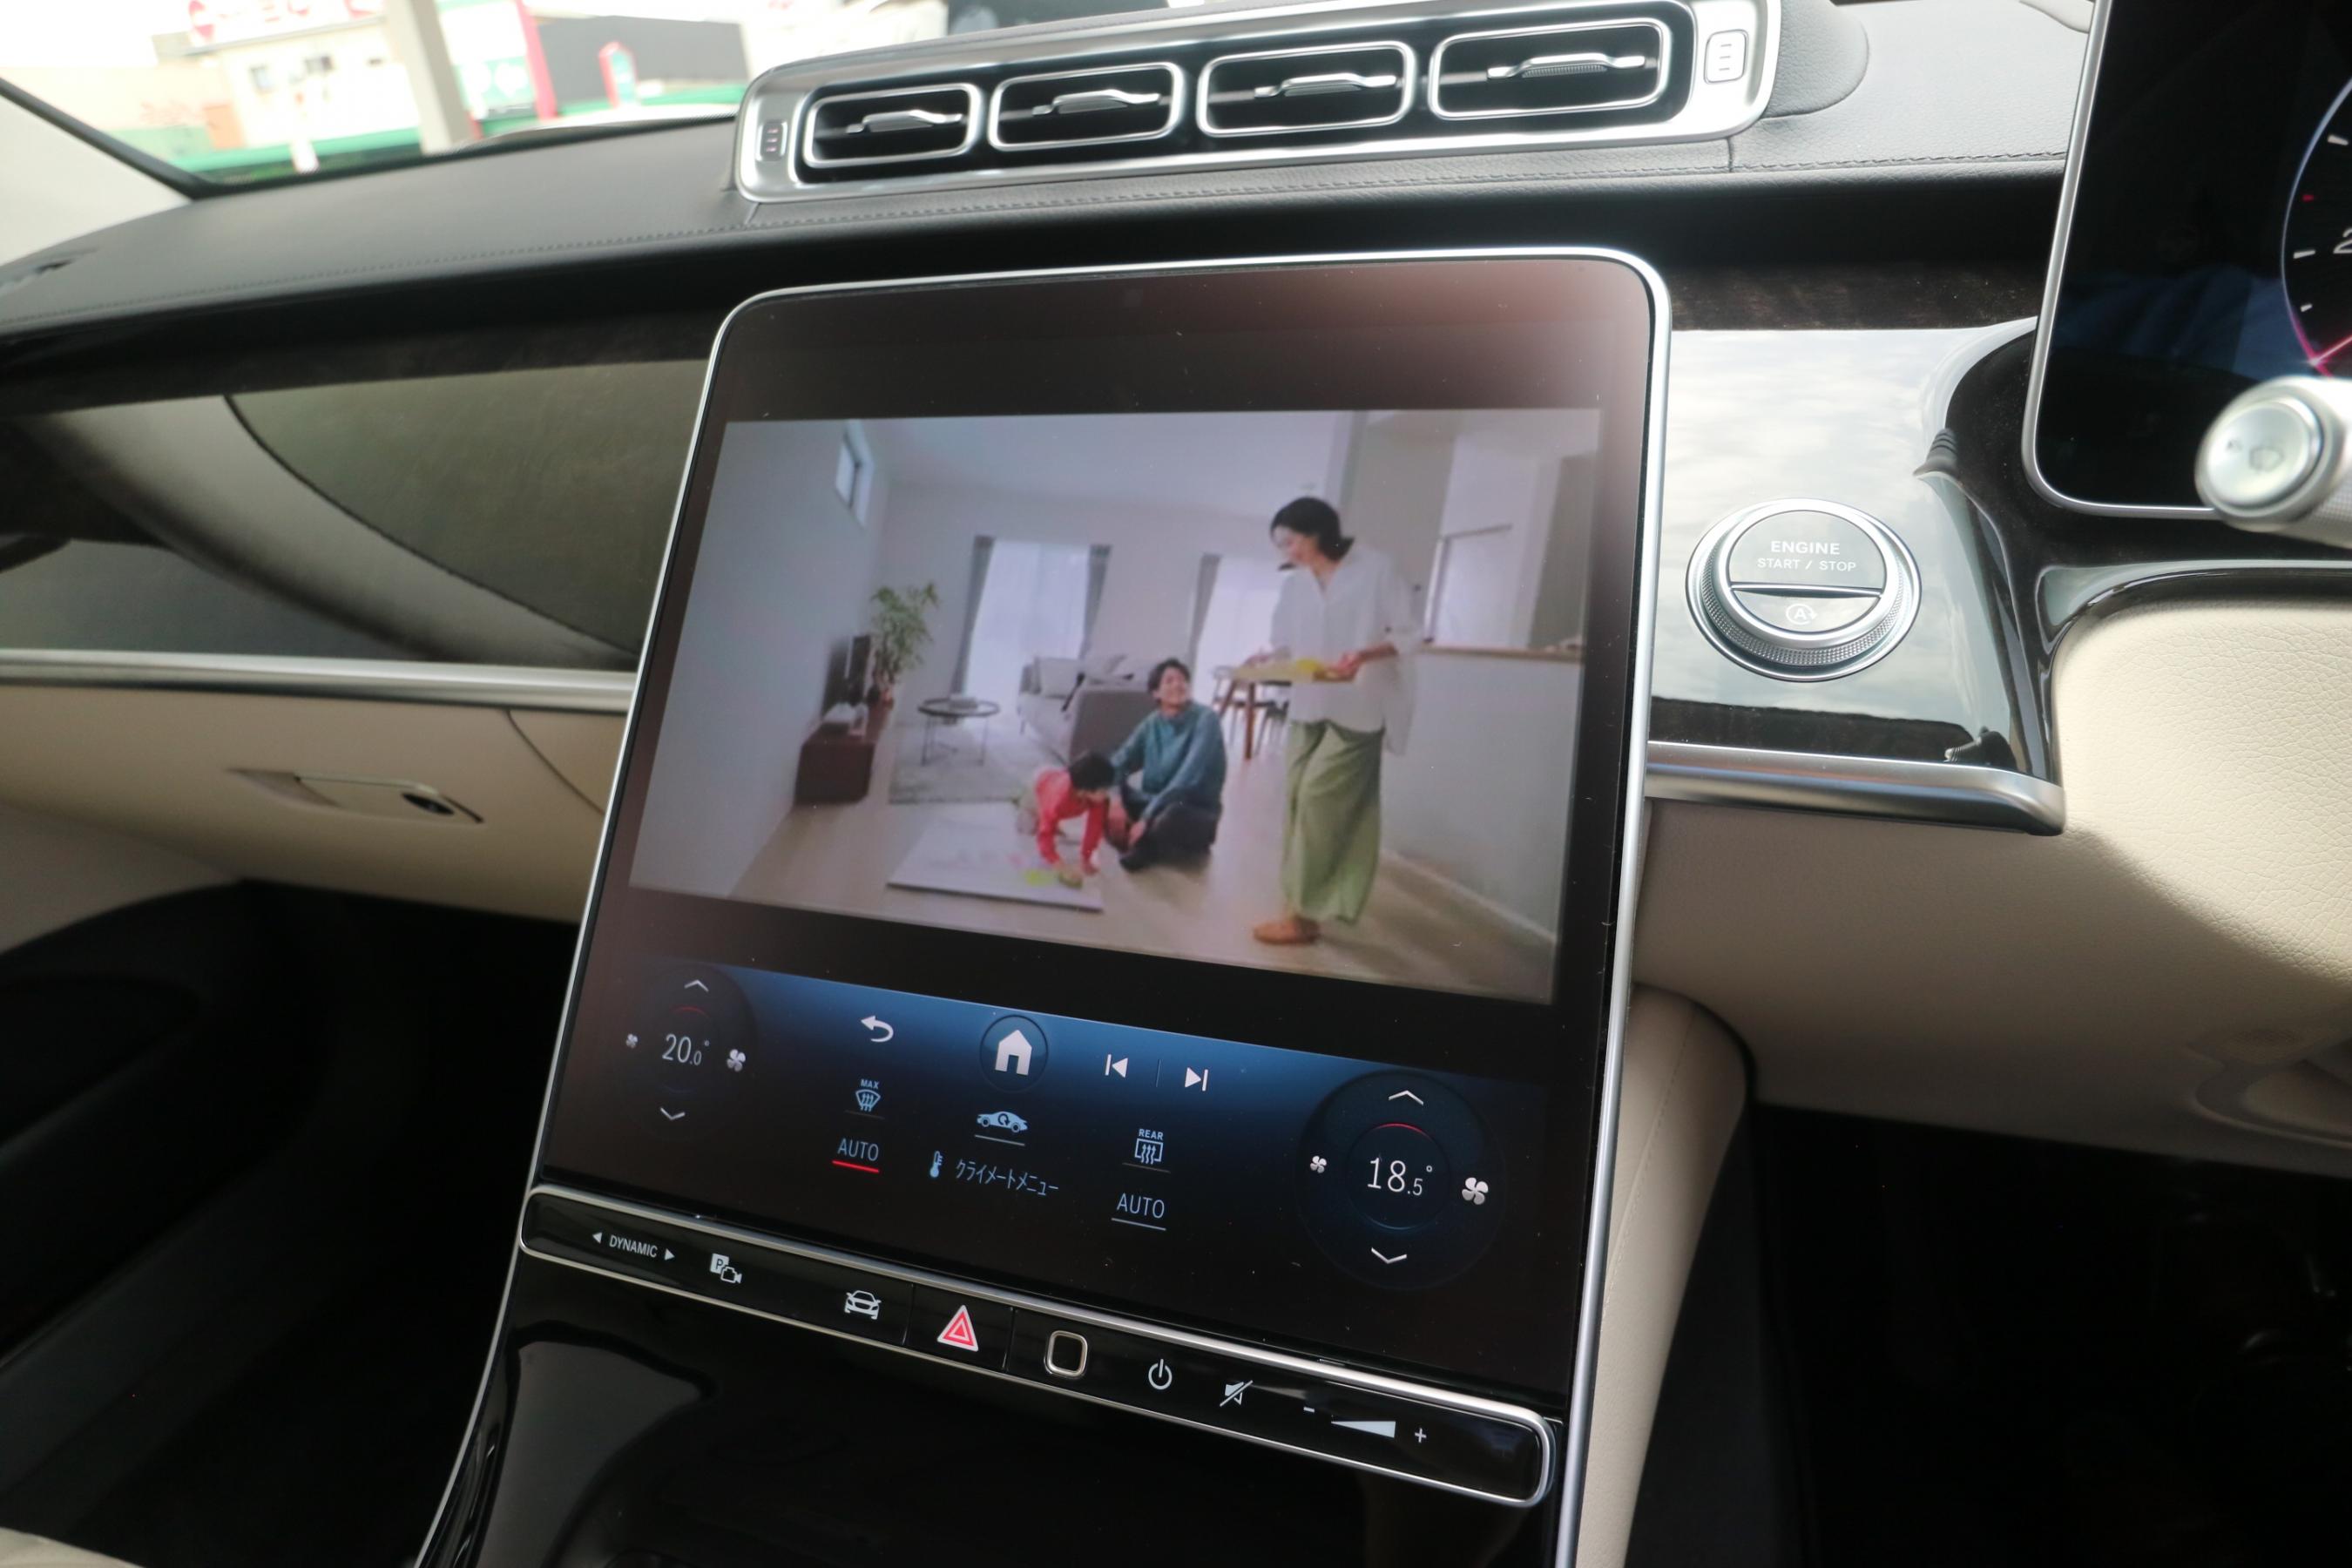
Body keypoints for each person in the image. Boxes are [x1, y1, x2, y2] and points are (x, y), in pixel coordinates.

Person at [1253, 497, 1418, 946]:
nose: (1287, 551)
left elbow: (1408, 634)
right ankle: (1297, 907)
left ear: (1318, 533)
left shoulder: (1377, 568)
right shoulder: (1295, 584)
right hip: (1308, 705)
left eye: (1292, 541)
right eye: (1282, 544)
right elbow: (1284, 643)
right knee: (1297, 802)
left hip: (1359, 708)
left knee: (1318, 802)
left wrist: (1363, 654)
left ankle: (1304, 916)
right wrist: (1265, 659)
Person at [1106, 658, 1227, 871]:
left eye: (1182, 680)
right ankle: (1138, 837)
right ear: (1156, 693)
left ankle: (1141, 842)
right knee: (1105, 793)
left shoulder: (1207, 719)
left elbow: (1187, 779)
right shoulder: (1152, 723)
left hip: (1191, 809)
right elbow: (1118, 763)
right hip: (1154, 803)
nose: (1178, 685)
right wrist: (1115, 802)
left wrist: (1146, 817)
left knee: (1171, 815)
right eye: (1169, 681)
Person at [1015, 750, 1115, 888]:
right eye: (1103, 791)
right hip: (1039, 783)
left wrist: (1086, 857)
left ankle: (1045, 816)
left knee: (1050, 823)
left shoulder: (1100, 800)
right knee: (1027, 829)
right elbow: (1045, 834)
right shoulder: (1058, 799)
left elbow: (1094, 828)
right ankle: (1021, 802)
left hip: (1059, 776)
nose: (1106, 795)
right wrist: (1058, 864)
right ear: (1085, 790)